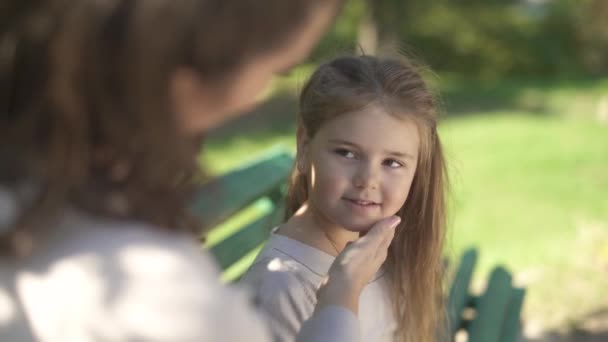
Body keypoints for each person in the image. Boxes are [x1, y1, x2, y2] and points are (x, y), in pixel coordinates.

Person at [0, 1, 399, 341]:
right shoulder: (158, 297)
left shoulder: (29, 196)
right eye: (273, 70)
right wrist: (338, 300)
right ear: (183, 80)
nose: (254, 98)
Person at [242, 55, 448, 342]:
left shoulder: (378, 247)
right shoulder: (281, 286)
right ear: (304, 147)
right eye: (347, 153)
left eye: (392, 162)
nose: (367, 180)